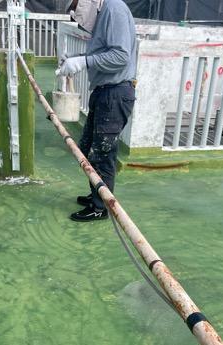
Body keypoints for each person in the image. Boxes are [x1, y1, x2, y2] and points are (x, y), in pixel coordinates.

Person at [59, 0, 137, 222]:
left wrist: (83, 61)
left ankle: (100, 206)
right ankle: (97, 193)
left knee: (102, 154)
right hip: (104, 91)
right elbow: (103, 52)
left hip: (115, 92)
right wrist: (77, 58)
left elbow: (120, 56)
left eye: (75, 5)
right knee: (88, 148)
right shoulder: (103, 13)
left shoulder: (114, 9)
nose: (74, 12)